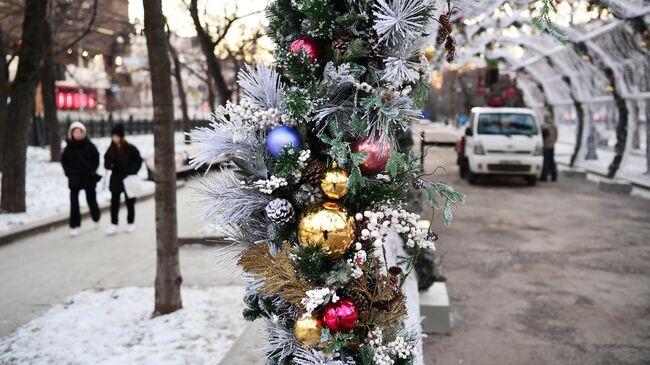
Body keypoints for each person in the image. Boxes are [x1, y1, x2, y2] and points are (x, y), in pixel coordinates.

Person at [61, 121, 101, 237]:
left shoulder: (89, 145)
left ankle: (96, 217)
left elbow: (96, 158)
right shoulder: (68, 148)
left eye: (79, 132)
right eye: (75, 132)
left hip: (88, 176)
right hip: (74, 177)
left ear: (83, 133)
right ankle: (74, 225)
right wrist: (68, 172)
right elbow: (65, 162)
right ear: (71, 133)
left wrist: (92, 169)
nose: (77, 134)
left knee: (91, 199)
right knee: (74, 202)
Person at [104, 124, 142, 235]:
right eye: (113, 136)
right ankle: (113, 224)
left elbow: (138, 161)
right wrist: (109, 165)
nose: (115, 138)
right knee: (114, 202)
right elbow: (106, 162)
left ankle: (130, 222)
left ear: (122, 136)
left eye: (117, 136)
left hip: (128, 179)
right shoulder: (110, 149)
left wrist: (131, 171)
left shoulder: (130, 148)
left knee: (130, 202)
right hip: (116, 179)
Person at [541, 115, 558, 182]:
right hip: (552, 145)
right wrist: (553, 141)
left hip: (545, 145)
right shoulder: (554, 126)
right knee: (551, 160)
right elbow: (556, 136)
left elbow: (542, 136)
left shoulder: (543, 126)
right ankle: (554, 175)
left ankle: (544, 175)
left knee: (545, 161)